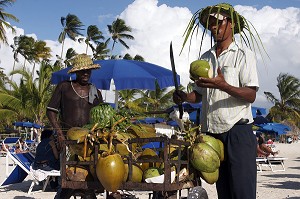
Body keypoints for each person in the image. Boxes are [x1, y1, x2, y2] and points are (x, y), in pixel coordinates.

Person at [173, 3, 261, 199]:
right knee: (224, 193)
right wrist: (185, 97)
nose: (214, 26)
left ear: (231, 25)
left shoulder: (243, 55)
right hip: (212, 135)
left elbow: (251, 94)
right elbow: (200, 94)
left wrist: (224, 85)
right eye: (211, 23)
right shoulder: (206, 58)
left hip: (237, 132)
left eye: (218, 22)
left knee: (243, 193)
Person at [46, 53, 103, 199]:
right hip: (67, 139)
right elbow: (51, 112)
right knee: (67, 177)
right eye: (82, 71)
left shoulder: (95, 92)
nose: (85, 74)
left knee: (88, 176)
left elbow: (102, 118)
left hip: (88, 142)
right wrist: (59, 133)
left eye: (88, 71)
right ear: (76, 72)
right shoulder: (64, 87)